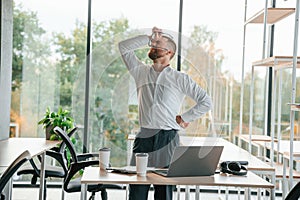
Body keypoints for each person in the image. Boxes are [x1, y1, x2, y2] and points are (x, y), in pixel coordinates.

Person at [118, 27, 212, 200]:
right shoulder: (140, 71)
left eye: (157, 44)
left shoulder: (179, 78)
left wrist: (184, 117)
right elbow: (123, 47)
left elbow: (206, 102)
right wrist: (149, 38)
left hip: (168, 140)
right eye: (152, 44)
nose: (153, 46)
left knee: (164, 194)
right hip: (144, 138)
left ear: (169, 51)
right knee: (137, 192)